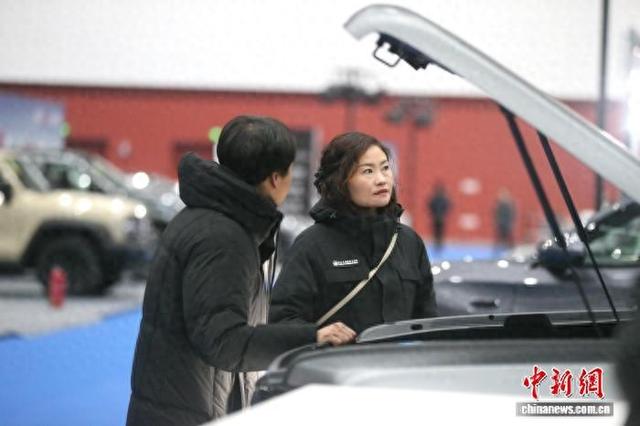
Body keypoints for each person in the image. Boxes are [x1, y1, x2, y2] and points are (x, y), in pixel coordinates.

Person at [126, 116, 355, 426]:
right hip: (189, 414)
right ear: (275, 179)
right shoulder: (223, 238)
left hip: (181, 404)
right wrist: (310, 337)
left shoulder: (214, 218)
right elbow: (223, 340)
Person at [269, 132, 437, 334]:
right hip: (336, 356)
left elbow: (428, 323)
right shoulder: (311, 245)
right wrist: (316, 334)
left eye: (385, 168)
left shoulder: (409, 242)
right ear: (341, 181)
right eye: (368, 171)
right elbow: (281, 319)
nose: (382, 179)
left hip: (397, 356)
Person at [427, 182, 451, 251]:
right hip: (438, 218)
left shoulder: (439, 199)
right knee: (437, 232)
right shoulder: (439, 199)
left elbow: (447, 206)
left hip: (438, 217)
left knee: (439, 232)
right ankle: (438, 244)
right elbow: (431, 206)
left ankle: (439, 244)